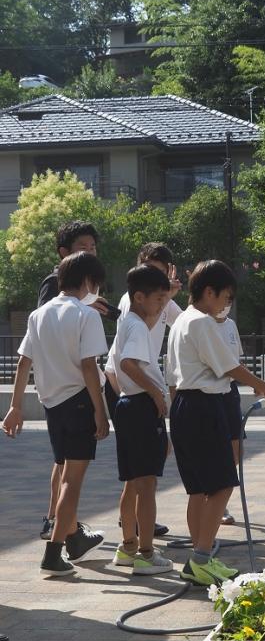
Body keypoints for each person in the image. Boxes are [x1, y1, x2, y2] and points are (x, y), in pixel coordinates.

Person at [166, 259, 265, 586]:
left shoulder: (181, 321)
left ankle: (200, 557)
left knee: (200, 488)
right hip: (204, 406)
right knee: (222, 484)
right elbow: (231, 368)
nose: (226, 304)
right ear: (209, 291)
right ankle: (201, 557)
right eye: (225, 296)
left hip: (186, 407)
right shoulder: (201, 323)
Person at [2, 252, 110, 577]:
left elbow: (24, 363)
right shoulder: (86, 316)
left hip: (53, 407)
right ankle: (53, 552)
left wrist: (15, 407)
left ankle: (67, 542)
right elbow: (89, 367)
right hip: (79, 403)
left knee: (65, 476)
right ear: (89, 282)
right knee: (71, 483)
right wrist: (101, 413)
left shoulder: (38, 315)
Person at [37, 220, 114, 542]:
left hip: (56, 396)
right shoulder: (59, 291)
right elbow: (85, 362)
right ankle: (58, 528)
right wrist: (101, 410)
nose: (90, 254)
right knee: (69, 471)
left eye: (93, 249)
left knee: (67, 466)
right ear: (64, 255)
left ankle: (62, 525)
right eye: (84, 249)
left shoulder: (87, 305)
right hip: (74, 395)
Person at [105, 242, 183, 538]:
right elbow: (127, 360)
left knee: (142, 470)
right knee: (143, 474)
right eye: (150, 270)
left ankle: (132, 533)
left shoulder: (159, 298)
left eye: (162, 273)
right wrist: (153, 392)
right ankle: (142, 545)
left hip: (136, 390)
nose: (160, 285)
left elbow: (186, 321)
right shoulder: (135, 303)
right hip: (133, 390)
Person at [215, 299, 244, 526]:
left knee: (236, 450)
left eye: (230, 300)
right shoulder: (203, 324)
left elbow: (236, 362)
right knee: (216, 451)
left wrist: (255, 383)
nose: (226, 304)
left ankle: (221, 500)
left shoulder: (231, 325)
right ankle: (215, 502)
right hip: (213, 392)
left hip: (231, 390)